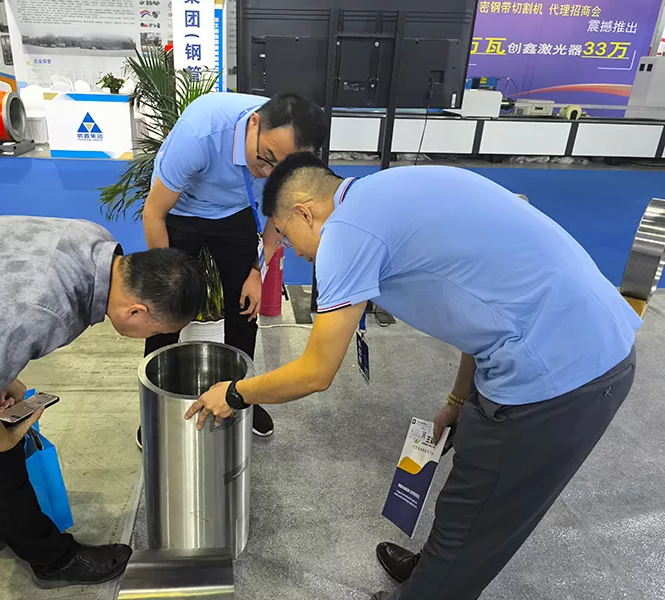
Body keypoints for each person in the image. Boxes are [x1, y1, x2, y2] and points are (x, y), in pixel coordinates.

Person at [186, 153, 641, 600]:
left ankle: (436, 581)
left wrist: (237, 393)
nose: (294, 251)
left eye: (285, 235)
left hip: (559, 375)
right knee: (469, 494)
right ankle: (433, 568)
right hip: (578, 333)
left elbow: (315, 372)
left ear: (305, 212)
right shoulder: (388, 188)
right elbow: (476, 299)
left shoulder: (346, 234)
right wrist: (459, 400)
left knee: (474, 519)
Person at [0, 216, 204, 588]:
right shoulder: (44, 308)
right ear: (136, 311)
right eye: (158, 331)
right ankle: (54, 561)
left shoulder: (95, 243)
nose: (152, 336)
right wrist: (1, 439)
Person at [138, 92, 326, 447]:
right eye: (266, 158)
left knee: (245, 309)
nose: (269, 172)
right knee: (166, 306)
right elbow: (154, 213)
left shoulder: (288, 160)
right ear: (254, 123)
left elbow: (277, 217)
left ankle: (242, 396)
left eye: (280, 169)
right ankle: (155, 408)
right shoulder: (200, 132)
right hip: (182, 209)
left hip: (235, 212)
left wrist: (257, 271)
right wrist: (165, 281)